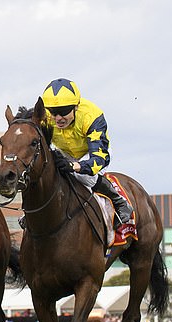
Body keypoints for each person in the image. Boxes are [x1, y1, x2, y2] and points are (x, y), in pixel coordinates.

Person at [40, 78, 133, 229]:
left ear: (76, 107)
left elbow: (97, 160)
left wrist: (74, 166)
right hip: (65, 151)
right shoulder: (45, 117)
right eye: (54, 112)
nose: (58, 118)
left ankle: (119, 201)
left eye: (63, 112)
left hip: (93, 153)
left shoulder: (91, 116)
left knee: (80, 175)